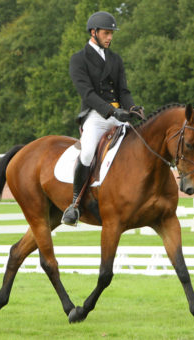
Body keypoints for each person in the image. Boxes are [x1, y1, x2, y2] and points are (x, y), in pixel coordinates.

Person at [62, 11, 142, 226]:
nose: (110, 38)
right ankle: (75, 204)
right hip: (95, 116)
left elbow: (123, 90)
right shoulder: (79, 59)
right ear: (94, 32)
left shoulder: (115, 59)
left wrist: (132, 107)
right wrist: (112, 111)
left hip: (118, 115)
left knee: (139, 146)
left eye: (111, 34)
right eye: (106, 33)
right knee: (87, 152)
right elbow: (87, 94)